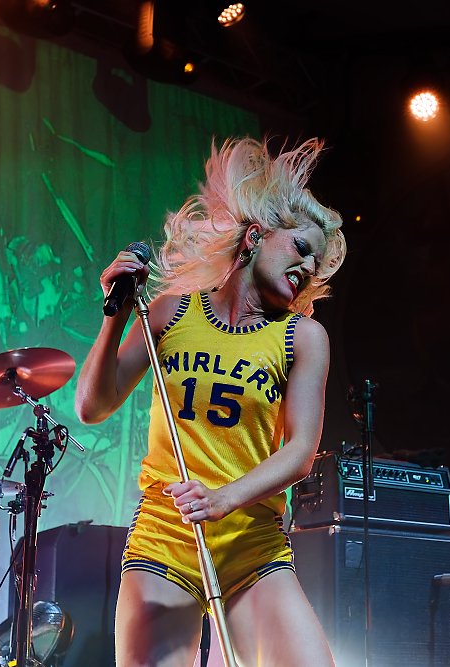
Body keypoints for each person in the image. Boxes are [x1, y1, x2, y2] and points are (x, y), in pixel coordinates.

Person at [75, 137, 346, 667]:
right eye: (300, 247)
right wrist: (114, 314)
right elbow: (92, 406)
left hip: (252, 542)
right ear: (254, 237)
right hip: (165, 536)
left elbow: (301, 453)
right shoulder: (170, 314)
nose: (308, 266)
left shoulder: (302, 337)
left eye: (316, 262)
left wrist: (224, 498)